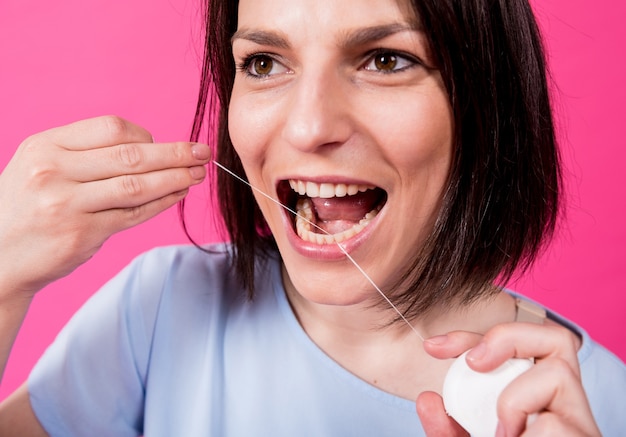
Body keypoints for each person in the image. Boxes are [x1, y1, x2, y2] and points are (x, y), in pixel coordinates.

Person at [0, 0, 624, 435]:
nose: (307, 127)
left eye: (384, 59)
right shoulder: (162, 307)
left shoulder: (600, 410)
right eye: (264, 63)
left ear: (489, 99)